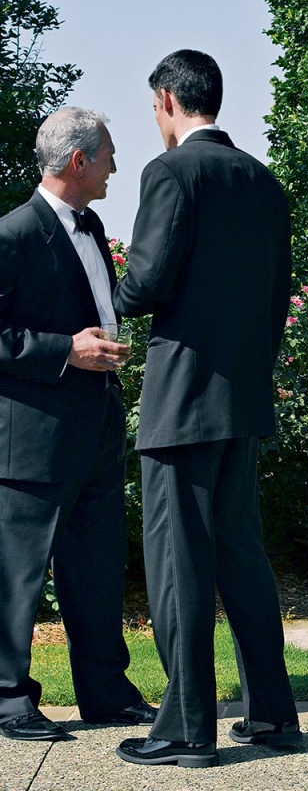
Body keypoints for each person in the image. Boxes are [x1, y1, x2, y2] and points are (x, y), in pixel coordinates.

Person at [112, 50, 297, 768]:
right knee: (242, 558)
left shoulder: (171, 172)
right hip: (241, 399)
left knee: (179, 563)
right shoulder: (262, 179)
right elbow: (277, 294)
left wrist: (112, 302)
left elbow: (150, 277)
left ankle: (187, 730)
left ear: (165, 100)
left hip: (181, 400)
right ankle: (273, 716)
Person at [0, 108, 157, 741]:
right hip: (32, 439)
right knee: (17, 574)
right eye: (110, 155)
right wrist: (65, 349)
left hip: (96, 427)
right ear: (78, 161)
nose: (117, 165)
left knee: (96, 568)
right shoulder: (11, 234)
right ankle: (9, 698)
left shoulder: (90, 225)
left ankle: (106, 693)